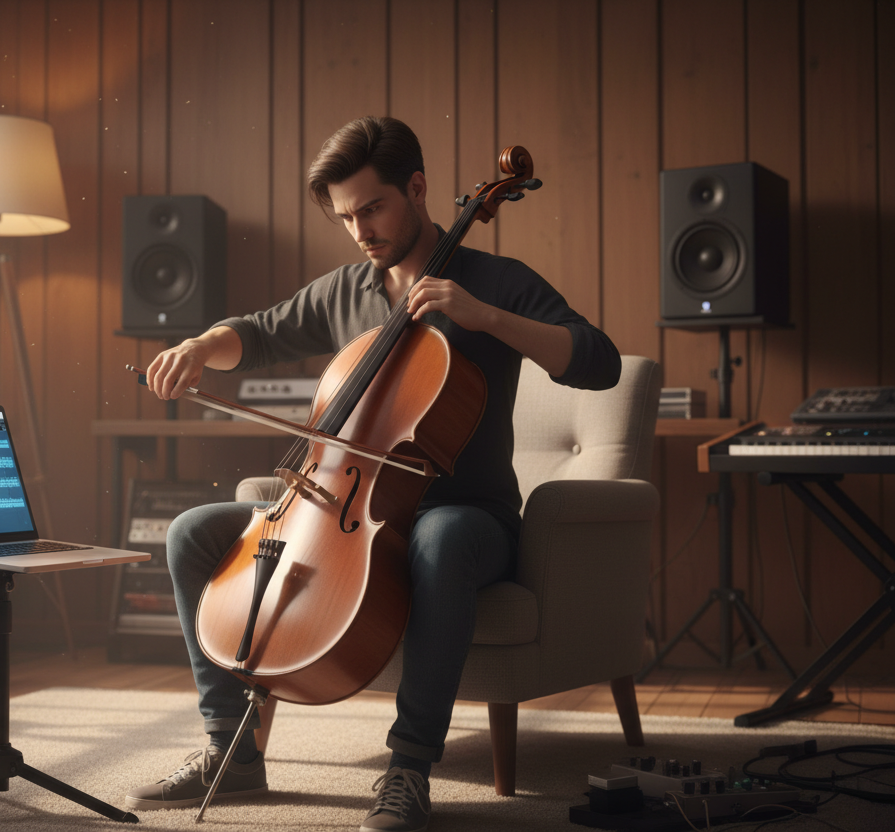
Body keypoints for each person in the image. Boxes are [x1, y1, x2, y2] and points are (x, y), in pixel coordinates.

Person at [124, 116, 620, 832]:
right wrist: (202, 345)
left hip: (468, 516)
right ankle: (229, 754)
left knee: (439, 541)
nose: (360, 230)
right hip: (344, 508)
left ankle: (409, 770)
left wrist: (485, 318)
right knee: (192, 534)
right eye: (345, 217)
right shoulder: (348, 291)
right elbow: (260, 335)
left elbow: (597, 360)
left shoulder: (494, 282)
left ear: (416, 189)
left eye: (372, 208)